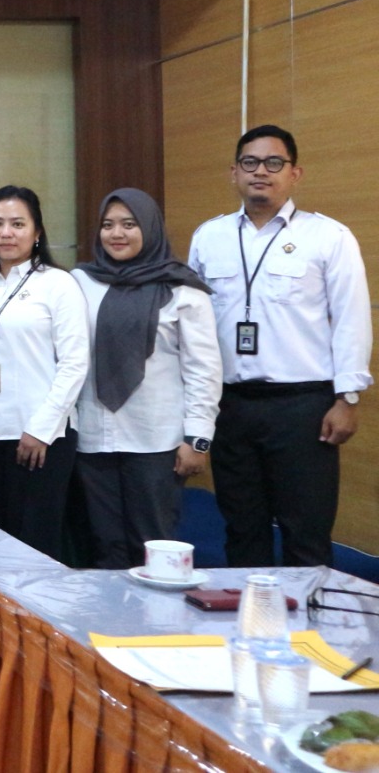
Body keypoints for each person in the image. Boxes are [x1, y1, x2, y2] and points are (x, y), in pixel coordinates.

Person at [188, 124, 371, 567]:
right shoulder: (209, 237)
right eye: (250, 162)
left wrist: (347, 398)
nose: (261, 172)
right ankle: (246, 612)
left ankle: (308, 614)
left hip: (302, 408)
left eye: (274, 163)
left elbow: (351, 319)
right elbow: (191, 324)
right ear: (234, 172)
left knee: (305, 530)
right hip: (230, 405)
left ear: (295, 173)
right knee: (241, 528)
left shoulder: (328, 237)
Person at [73, 188, 221, 570]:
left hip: (157, 439)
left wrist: (198, 439)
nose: (116, 234)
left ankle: (157, 611)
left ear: (150, 228)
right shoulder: (80, 283)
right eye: (108, 225)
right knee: (102, 545)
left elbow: (203, 370)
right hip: (93, 434)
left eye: (129, 224)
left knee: (153, 544)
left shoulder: (184, 291)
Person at [0, 185, 88, 560]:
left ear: (37, 232)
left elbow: (74, 363)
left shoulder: (58, 284)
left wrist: (41, 430)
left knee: (33, 546)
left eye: (18, 224)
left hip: (38, 438)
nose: (6, 233)